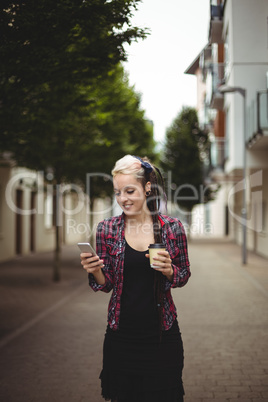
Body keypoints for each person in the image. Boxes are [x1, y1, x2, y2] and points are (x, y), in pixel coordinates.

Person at [80, 155, 191, 402]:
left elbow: (183, 275)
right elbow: (106, 284)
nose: (123, 199)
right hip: (121, 337)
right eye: (118, 192)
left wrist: (170, 271)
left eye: (130, 190)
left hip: (163, 335)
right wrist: (95, 269)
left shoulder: (171, 228)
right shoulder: (107, 228)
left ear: (147, 187)